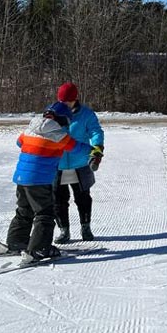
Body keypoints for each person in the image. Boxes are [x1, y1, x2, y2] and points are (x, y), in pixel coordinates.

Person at [0, 102, 91, 263]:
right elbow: (77, 148)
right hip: (39, 181)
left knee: (24, 210)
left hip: (21, 178)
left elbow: (19, 143)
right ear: (62, 119)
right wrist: (94, 149)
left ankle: (15, 242)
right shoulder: (58, 134)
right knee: (45, 214)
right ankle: (39, 250)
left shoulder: (30, 129)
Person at [53, 82, 104, 244]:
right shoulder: (52, 113)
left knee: (83, 198)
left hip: (80, 162)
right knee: (59, 200)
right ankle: (64, 230)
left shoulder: (86, 114)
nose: (65, 104)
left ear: (75, 99)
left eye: (68, 101)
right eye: (62, 101)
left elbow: (96, 131)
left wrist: (97, 147)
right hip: (58, 163)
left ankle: (85, 227)